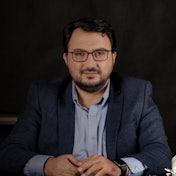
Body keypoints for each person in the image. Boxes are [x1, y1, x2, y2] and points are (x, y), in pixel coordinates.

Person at [0, 17, 173, 176]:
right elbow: (9, 153)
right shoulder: (42, 95)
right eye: (79, 54)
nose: (90, 64)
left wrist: (119, 167)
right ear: (66, 58)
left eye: (99, 53)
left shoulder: (137, 93)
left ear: (113, 57)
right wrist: (47, 165)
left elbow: (160, 153)